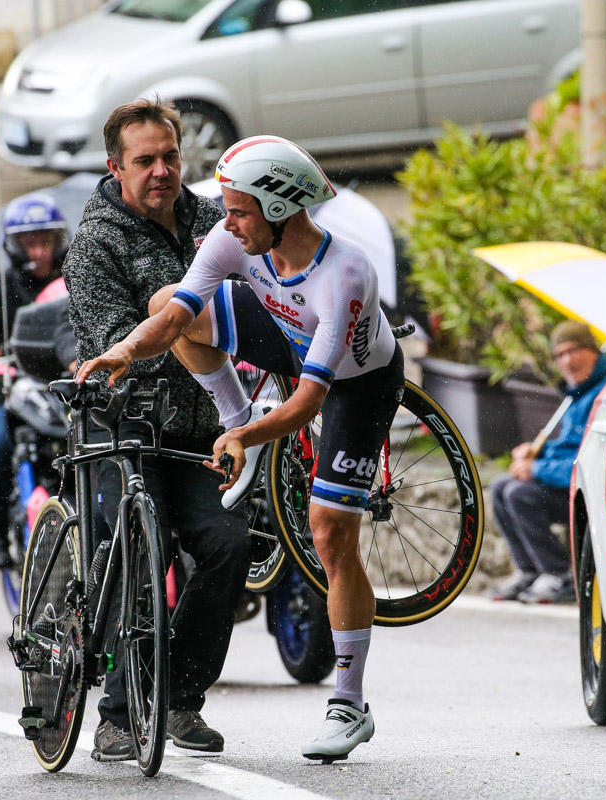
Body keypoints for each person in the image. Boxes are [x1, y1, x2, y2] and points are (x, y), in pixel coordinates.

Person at [77, 134, 404, 763]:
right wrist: (123, 351)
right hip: (288, 335)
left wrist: (245, 437)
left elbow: (310, 403)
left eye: (239, 211)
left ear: (280, 210)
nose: (225, 223)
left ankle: (349, 704)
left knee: (330, 531)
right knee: (164, 301)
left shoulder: (347, 273)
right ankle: (237, 410)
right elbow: (174, 321)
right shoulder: (236, 239)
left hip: (353, 386)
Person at [63, 99, 251, 762]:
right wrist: (184, 317)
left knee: (230, 545)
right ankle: (115, 715)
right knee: (142, 549)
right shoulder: (94, 246)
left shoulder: (212, 219)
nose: (163, 170)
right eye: (145, 160)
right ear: (117, 168)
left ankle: (179, 701)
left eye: (170, 156)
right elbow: (118, 341)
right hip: (122, 435)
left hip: (200, 435)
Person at [0, 193, 69, 568]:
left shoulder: (77, 277)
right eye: (30, 241)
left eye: (46, 240)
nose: (39, 250)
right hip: (15, 390)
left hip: (67, 388)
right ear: (14, 245)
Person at [488, 320, 606, 604]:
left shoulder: (604, 394)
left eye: (574, 350)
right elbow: (569, 447)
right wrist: (538, 452)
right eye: (560, 355)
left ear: (593, 351)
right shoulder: (577, 393)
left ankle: (559, 574)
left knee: (519, 492)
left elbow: (589, 461)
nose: (567, 361)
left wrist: (537, 468)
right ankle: (529, 571)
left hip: (590, 492)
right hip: (566, 484)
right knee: (499, 486)